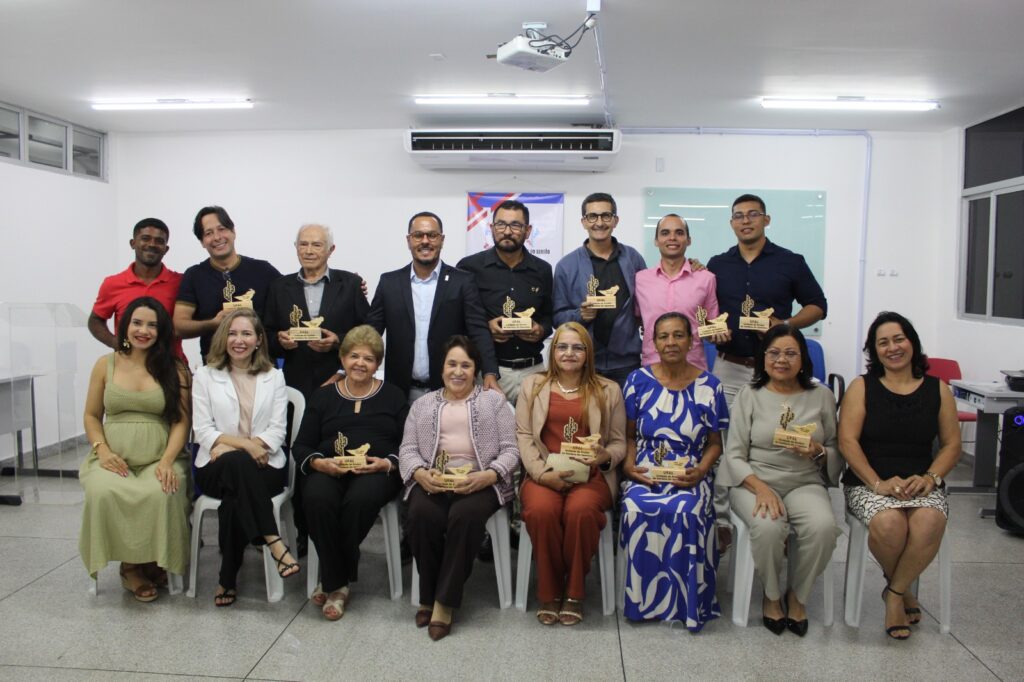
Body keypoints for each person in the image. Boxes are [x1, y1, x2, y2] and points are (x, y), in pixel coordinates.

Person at [838, 311, 961, 640]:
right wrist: (878, 483)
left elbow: (952, 445)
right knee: (890, 524)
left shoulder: (938, 390)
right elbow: (847, 441)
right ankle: (904, 592)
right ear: (874, 351)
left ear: (912, 343)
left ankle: (893, 593)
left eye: (898, 339)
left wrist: (931, 478)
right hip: (869, 482)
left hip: (921, 482)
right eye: (883, 343)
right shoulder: (862, 387)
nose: (892, 348)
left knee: (929, 521)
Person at [718, 324, 841, 637]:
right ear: (763, 357)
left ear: (803, 359)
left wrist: (817, 451)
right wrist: (761, 488)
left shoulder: (821, 396)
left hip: (804, 481)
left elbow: (835, 448)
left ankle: (798, 595)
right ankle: (772, 595)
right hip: (754, 480)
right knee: (769, 526)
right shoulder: (750, 394)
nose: (781, 360)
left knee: (823, 527)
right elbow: (734, 454)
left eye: (790, 353)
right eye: (773, 353)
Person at [398, 336, 519, 640]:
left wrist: (489, 475)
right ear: (441, 369)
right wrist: (420, 473)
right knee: (420, 514)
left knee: (463, 517)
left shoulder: (494, 402)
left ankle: (443, 602)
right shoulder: (423, 405)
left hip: (480, 481)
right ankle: (428, 595)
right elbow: (407, 449)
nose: (458, 371)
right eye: (452, 364)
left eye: (466, 365)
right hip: (435, 479)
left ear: (475, 370)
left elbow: (511, 450)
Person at [619, 312, 729, 631]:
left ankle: (685, 601)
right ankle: (642, 601)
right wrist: (629, 466)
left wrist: (701, 470)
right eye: (663, 336)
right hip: (646, 467)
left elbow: (715, 444)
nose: (671, 342)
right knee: (634, 505)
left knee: (687, 508)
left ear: (691, 341)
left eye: (678, 335)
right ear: (653, 342)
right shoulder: (637, 381)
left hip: (690, 469)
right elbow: (628, 436)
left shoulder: (710, 386)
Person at [79, 296, 191, 602]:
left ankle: (151, 561)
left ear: (161, 330)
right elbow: (91, 415)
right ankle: (131, 567)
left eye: (152, 325)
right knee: (103, 491)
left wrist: (167, 461)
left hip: (161, 455)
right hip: (112, 457)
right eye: (137, 323)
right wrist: (102, 450)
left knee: (162, 491)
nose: (144, 330)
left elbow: (182, 422)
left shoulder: (175, 368)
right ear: (125, 326)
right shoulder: (105, 364)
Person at [292, 325, 406, 620]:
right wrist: (319, 463)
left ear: (377, 364)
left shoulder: (394, 396)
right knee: (317, 498)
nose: (360, 363)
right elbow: (302, 445)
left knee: (358, 501)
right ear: (342, 359)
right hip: (328, 467)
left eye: (369, 358)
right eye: (354, 356)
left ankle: (333, 581)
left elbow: (407, 445)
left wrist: (387, 463)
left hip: (376, 471)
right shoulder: (323, 397)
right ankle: (339, 581)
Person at [516, 322, 626, 625]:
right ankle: (550, 591)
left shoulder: (609, 390)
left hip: (591, 476)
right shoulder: (532, 385)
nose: (569, 353)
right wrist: (541, 474)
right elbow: (524, 436)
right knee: (541, 511)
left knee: (580, 512)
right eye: (562, 347)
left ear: (588, 353)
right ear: (552, 352)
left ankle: (575, 591)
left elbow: (619, 442)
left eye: (578, 348)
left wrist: (604, 456)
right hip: (543, 473)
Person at [191, 308, 299, 606]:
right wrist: (247, 447)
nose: (239, 340)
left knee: (234, 495)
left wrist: (236, 447)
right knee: (238, 466)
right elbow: (203, 431)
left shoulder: (274, 377)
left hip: (265, 463)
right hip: (214, 466)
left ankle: (227, 577)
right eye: (232, 333)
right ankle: (274, 542)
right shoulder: (205, 375)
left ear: (259, 340)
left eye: (247, 334)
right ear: (223, 338)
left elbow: (277, 430)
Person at [706, 194, 827, 406]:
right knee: (727, 427)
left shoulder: (790, 262)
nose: (745, 220)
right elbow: (706, 310)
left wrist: (784, 324)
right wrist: (711, 331)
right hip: (729, 370)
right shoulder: (717, 265)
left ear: (766, 219)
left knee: (777, 425)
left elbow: (818, 306)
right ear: (732, 223)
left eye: (753, 214)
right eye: (739, 216)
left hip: (778, 367)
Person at [367, 211, 500, 402]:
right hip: (399, 393)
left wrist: (489, 372)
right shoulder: (389, 283)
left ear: (442, 240)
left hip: (450, 390)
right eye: (418, 235)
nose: (425, 241)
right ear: (408, 240)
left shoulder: (462, 282)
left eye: (432, 235)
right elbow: (370, 333)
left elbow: (478, 331)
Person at [456, 199, 553, 403]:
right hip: (487, 372)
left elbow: (548, 315)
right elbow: (457, 319)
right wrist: (486, 327)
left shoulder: (543, 270)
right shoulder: (469, 267)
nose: (507, 231)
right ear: (492, 228)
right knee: (486, 425)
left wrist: (541, 330)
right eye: (501, 224)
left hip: (533, 370)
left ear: (528, 231)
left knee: (534, 424)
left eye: (515, 225)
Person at [553, 192, 647, 389]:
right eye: (592, 216)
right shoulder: (566, 265)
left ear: (615, 220)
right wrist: (581, 315)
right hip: (583, 363)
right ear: (584, 222)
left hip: (626, 363)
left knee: (626, 410)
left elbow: (646, 303)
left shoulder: (633, 258)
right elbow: (557, 318)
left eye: (606, 216)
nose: (599, 222)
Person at [264, 224, 369, 398]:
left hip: (342, 380)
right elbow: (266, 334)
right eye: (303, 244)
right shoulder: (279, 287)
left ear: (331, 250)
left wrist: (338, 341)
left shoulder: (351, 284)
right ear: (296, 247)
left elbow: (368, 333)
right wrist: (279, 340)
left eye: (317, 245)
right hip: (293, 385)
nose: (309, 251)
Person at [174, 206, 281, 361]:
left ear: (233, 232)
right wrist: (213, 323)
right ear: (202, 242)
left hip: (261, 364)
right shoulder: (194, 275)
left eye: (222, 229)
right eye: (208, 233)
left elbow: (288, 306)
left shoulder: (263, 270)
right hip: (215, 366)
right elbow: (179, 326)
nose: (217, 237)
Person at [634, 213, 719, 371]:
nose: (672, 238)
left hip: (694, 368)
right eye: (665, 233)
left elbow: (712, 325)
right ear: (656, 241)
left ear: (688, 240)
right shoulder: (640, 279)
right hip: (652, 366)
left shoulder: (706, 279)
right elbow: (637, 319)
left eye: (679, 233)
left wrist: (718, 334)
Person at [89, 217, 184, 358]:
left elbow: (190, 322)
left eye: (159, 241)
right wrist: (116, 343)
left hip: (171, 365)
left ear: (166, 249)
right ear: (133, 243)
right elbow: (95, 320)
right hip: (127, 366)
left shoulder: (181, 282)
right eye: (145, 238)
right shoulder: (113, 283)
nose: (152, 244)